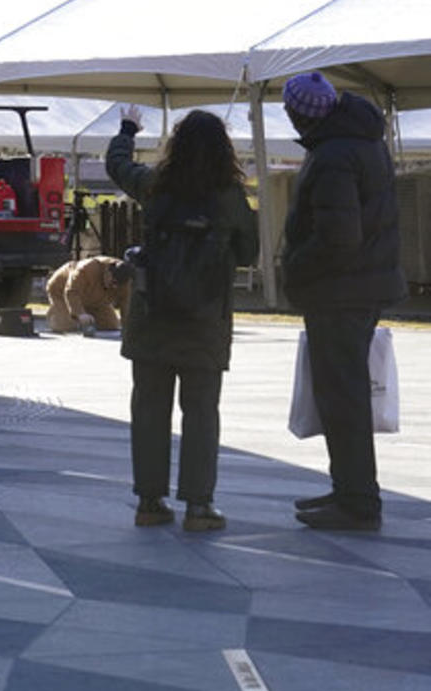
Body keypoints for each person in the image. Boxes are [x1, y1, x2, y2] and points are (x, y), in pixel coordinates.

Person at [106, 107, 256, 532]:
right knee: (202, 412)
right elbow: (247, 254)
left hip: (153, 315)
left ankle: (150, 503)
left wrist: (127, 130)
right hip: (206, 321)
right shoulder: (229, 197)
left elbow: (116, 165)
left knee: (150, 410)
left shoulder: (156, 186)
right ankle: (199, 506)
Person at [279, 71, 403, 532]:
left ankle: (357, 500)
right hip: (361, 287)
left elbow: (338, 237)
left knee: (343, 396)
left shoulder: (333, 155)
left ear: (301, 113)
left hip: (341, 291)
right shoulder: (362, 141)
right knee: (343, 393)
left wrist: (294, 267)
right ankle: (350, 489)